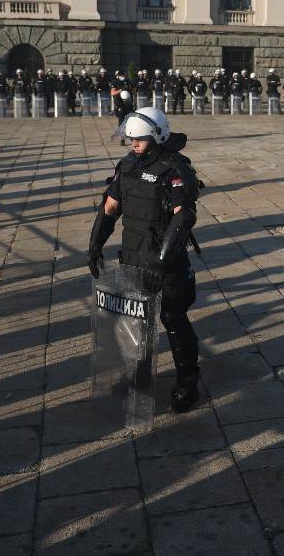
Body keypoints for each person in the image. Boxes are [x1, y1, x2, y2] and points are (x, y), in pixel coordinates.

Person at [87, 106, 203, 412]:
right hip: (134, 256)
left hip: (166, 261)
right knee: (134, 321)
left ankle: (187, 384)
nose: (133, 145)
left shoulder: (174, 167)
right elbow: (110, 207)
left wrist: (161, 263)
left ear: (157, 136)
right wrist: (94, 246)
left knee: (173, 319)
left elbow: (184, 217)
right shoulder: (127, 165)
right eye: (130, 140)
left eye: (139, 140)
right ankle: (138, 378)